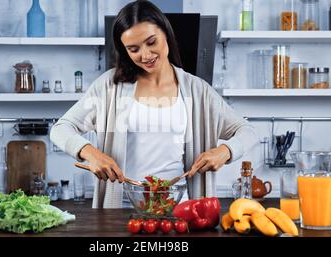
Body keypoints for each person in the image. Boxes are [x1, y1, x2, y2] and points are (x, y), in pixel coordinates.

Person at [50, 0, 257, 208]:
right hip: (121, 208)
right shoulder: (109, 87)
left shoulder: (198, 90)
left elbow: (248, 132)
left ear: (166, 33)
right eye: (134, 49)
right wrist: (90, 153)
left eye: (151, 42)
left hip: (180, 207)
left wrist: (225, 151)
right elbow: (60, 129)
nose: (146, 55)